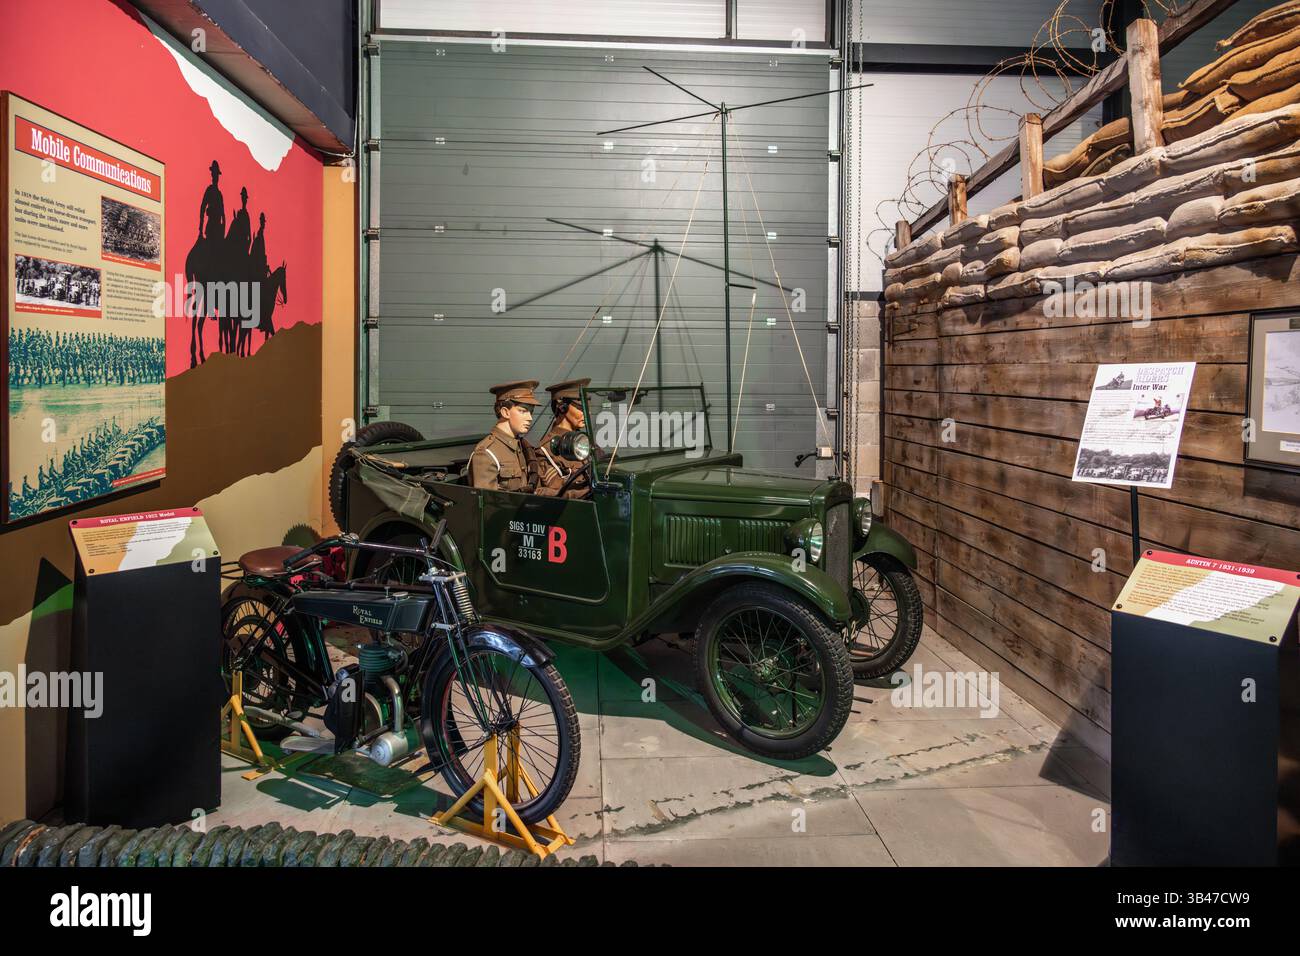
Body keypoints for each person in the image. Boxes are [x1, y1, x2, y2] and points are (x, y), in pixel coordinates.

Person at [469, 381, 543, 493]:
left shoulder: (522, 446)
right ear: (505, 412)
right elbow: (487, 505)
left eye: (531, 412)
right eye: (523, 411)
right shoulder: (486, 453)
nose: (530, 418)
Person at [537, 377, 592, 499]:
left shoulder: (584, 439)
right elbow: (557, 492)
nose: (587, 413)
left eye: (587, 407)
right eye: (580, 408)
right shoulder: (548, 448)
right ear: (562, 407)